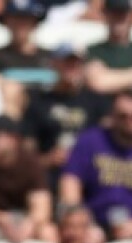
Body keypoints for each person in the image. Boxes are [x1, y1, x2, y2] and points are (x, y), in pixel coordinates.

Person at [60, 89, 132, 241]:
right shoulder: (90, 141)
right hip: (93, 227)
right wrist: (83, 225)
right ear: (112, 115)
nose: (130, 121)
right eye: (123, 116)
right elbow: (70, 183)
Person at [23, 44, 110, 189]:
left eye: (77, 63)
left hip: (88, 175)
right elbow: (27, 150)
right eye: (67, 63)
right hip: (51, 175)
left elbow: (108, 143)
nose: (72, 67)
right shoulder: (39, 102)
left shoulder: (97, 101)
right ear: (54, 65)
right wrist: (47, 159)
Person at [85, 0, 132, 96]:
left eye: (123, 13)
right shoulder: (94, 51)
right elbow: (98, 82)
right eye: (114, 13)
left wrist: (112, 77)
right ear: (105, 16)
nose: (119, 18)